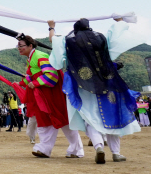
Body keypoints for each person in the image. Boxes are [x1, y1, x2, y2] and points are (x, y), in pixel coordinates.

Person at [48, 18, 141, 164]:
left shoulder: (68, 41)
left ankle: (99, 147)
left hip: (83, 85)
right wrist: (120, 21)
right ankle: (116, 153)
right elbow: (115, 36)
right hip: (107, 82)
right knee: (112, 116)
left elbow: (54, 41)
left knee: (90, 118)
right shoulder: (100, 38)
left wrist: (51, 27)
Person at [16, 34, 83, 159]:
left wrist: (34, 83)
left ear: (30, 46)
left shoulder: (39, 56)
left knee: (62, 120)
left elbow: (52, 75)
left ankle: (75, 149)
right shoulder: (32, 59)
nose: (18, 48)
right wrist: (19, 83)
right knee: (47, 120)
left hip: (52, 95)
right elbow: (32, 77)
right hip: (45, 95)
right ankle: (46, 149)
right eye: (17, 46)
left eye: (21, 45)